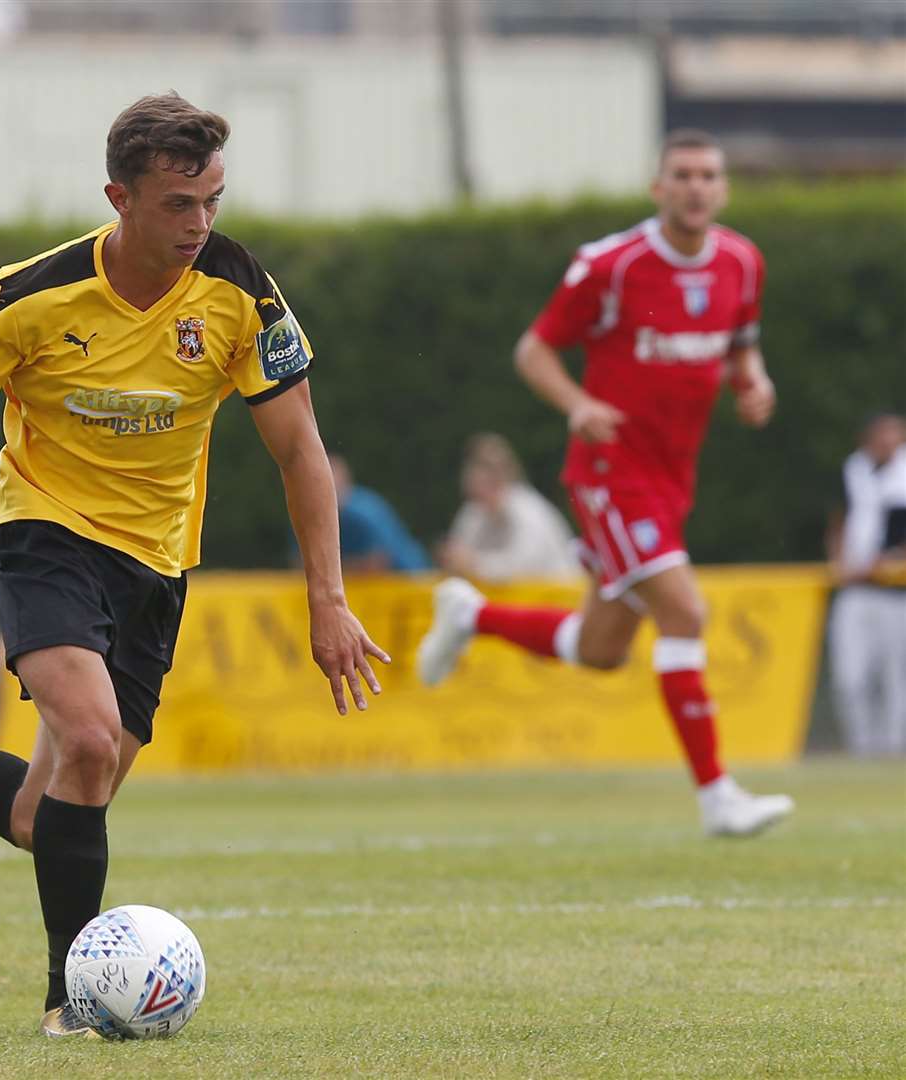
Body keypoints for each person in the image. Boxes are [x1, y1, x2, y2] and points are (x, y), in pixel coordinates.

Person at [0, 92, 388, 1036]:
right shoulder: (31, 296)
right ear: (118, 197)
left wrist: (328, 600)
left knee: (42, 813)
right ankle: (71, 1002)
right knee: (89, 744)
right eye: (179, 204)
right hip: (43, 534)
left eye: (213, 200)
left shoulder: (239, 293)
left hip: (159, 563)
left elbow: (301, 452)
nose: (200, 224)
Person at [416, 129, 793, 838]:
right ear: (659, 187)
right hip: (610, 472)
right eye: (682, 174)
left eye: (709, 175)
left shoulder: (742, 262)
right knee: (684, 613)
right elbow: (534, 349)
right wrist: (578, 404)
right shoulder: (612, 266)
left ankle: (471, 615)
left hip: (673, 476)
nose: (696, 187)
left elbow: (742, 344)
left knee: (602, 649)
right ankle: (718, 798)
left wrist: (754, 385)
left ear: (723, 188)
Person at [827, 411, 906, 756]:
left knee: (896, 680)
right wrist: (838, 559)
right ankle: (862, 751)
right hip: (855, 589)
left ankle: (893, 752)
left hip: (896, 592)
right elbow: (839, 517)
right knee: (850, 677)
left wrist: (888, 561)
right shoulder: (854, 469)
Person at [438, 432, 579, 582]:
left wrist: (475, 564)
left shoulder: (528, 509)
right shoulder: (475, 510)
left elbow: (527, 567)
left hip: (558, 594)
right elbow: (460, 552)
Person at [309, 453, 430, 574]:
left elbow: (379, 561)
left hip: (408, 579)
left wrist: (328, 569)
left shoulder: (360, 513)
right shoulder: (314, 513)